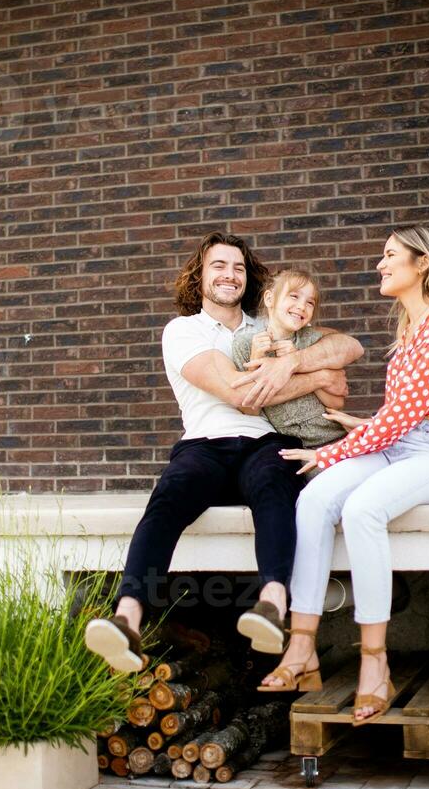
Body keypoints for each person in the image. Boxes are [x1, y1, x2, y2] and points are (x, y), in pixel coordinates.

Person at [84, 230, 363, 671]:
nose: (229, 275)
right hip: (204, 446)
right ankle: (127, 620)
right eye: (219, 265)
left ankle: (272, 606)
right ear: (200, 276)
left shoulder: (271, 323)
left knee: (276, 483)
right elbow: (238, 393)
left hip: (264, 443)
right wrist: (314, 377)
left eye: (238, 267)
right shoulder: (183, 330)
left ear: (249, 280)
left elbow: (348, 348)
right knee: (169, 497)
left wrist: (291, 361)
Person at [261, 225, 429, 726]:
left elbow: (413, 416)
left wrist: (337, 450)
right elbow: (404, 413)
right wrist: (364, 427)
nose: (380, 265)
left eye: (389, 256)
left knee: (362, 510)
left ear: (421, 263)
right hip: (398, 446)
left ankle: (375, 664)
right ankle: (302, 649)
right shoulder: (408, 325)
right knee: (313, 501)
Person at [231, 269, 347, 461]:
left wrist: (299, 363)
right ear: (269, 299)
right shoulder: (245, 344)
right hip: (293, 447)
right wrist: (255, 360)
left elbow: (337, 403)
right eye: (294, 296)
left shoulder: (312, 342)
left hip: (334, 437)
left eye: (310, 302)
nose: (302, 306)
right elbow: (250, 409)